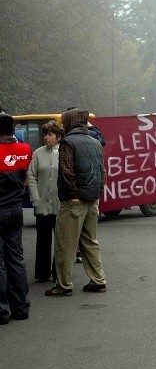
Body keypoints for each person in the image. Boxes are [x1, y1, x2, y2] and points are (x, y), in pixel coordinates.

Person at [45, 108, 107, 296]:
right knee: (90, 242)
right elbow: (101, 170)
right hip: (92, 198)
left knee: (65, 243)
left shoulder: (68, 142)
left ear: (70, 122)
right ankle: (98, 280)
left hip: (75, 201)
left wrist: (72, 194)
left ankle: (63, 285)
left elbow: (67, 171)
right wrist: (98, 191)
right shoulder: (95, 142)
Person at [0, 114, 32, 325]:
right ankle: (20, 307)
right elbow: (25, 177)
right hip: (15, 209)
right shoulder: (25, 150)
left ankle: (2, 311)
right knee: (16, 257)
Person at [28, 120, 64, 283]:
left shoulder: (65, 152)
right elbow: (31, 176)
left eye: (50, 134)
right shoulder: (38, 153)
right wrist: (36, 199)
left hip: (60, 204)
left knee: (60, 240)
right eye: (45, 134)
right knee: (42, 240)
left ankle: (59, 272)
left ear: (58, 136)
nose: (46, 138)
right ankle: (42, 273)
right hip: (42, 202)